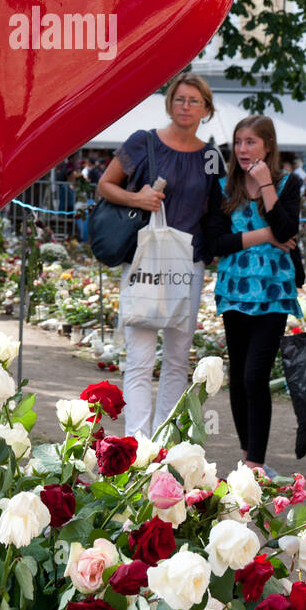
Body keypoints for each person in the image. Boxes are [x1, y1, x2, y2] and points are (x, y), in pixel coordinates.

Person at [97, 72, 223, 437]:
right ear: (169, 103)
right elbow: (106, 184)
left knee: (177, 358)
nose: (186, 106)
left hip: (189, 262)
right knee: (139, 358)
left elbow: (217, 208)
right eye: (180, 99)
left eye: (194, 101)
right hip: (145, 258)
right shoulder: (143, 143)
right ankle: (137, 444)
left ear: (206, 109)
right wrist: (138, 198)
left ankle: (163, 443)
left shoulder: (211, 156)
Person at [204, 116, 301, 475]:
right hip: (234, 290)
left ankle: (256, 462)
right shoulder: (222, 187)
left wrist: (267, 186)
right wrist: (266, 237)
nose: (243, 150)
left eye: (251, 142)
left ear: (268, 147)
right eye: (239, 142)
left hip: (274, 291)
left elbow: (289, 229)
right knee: (239, 374)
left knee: (255, 375)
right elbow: (217, 242)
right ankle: (248, 454)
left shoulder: (288, 184)